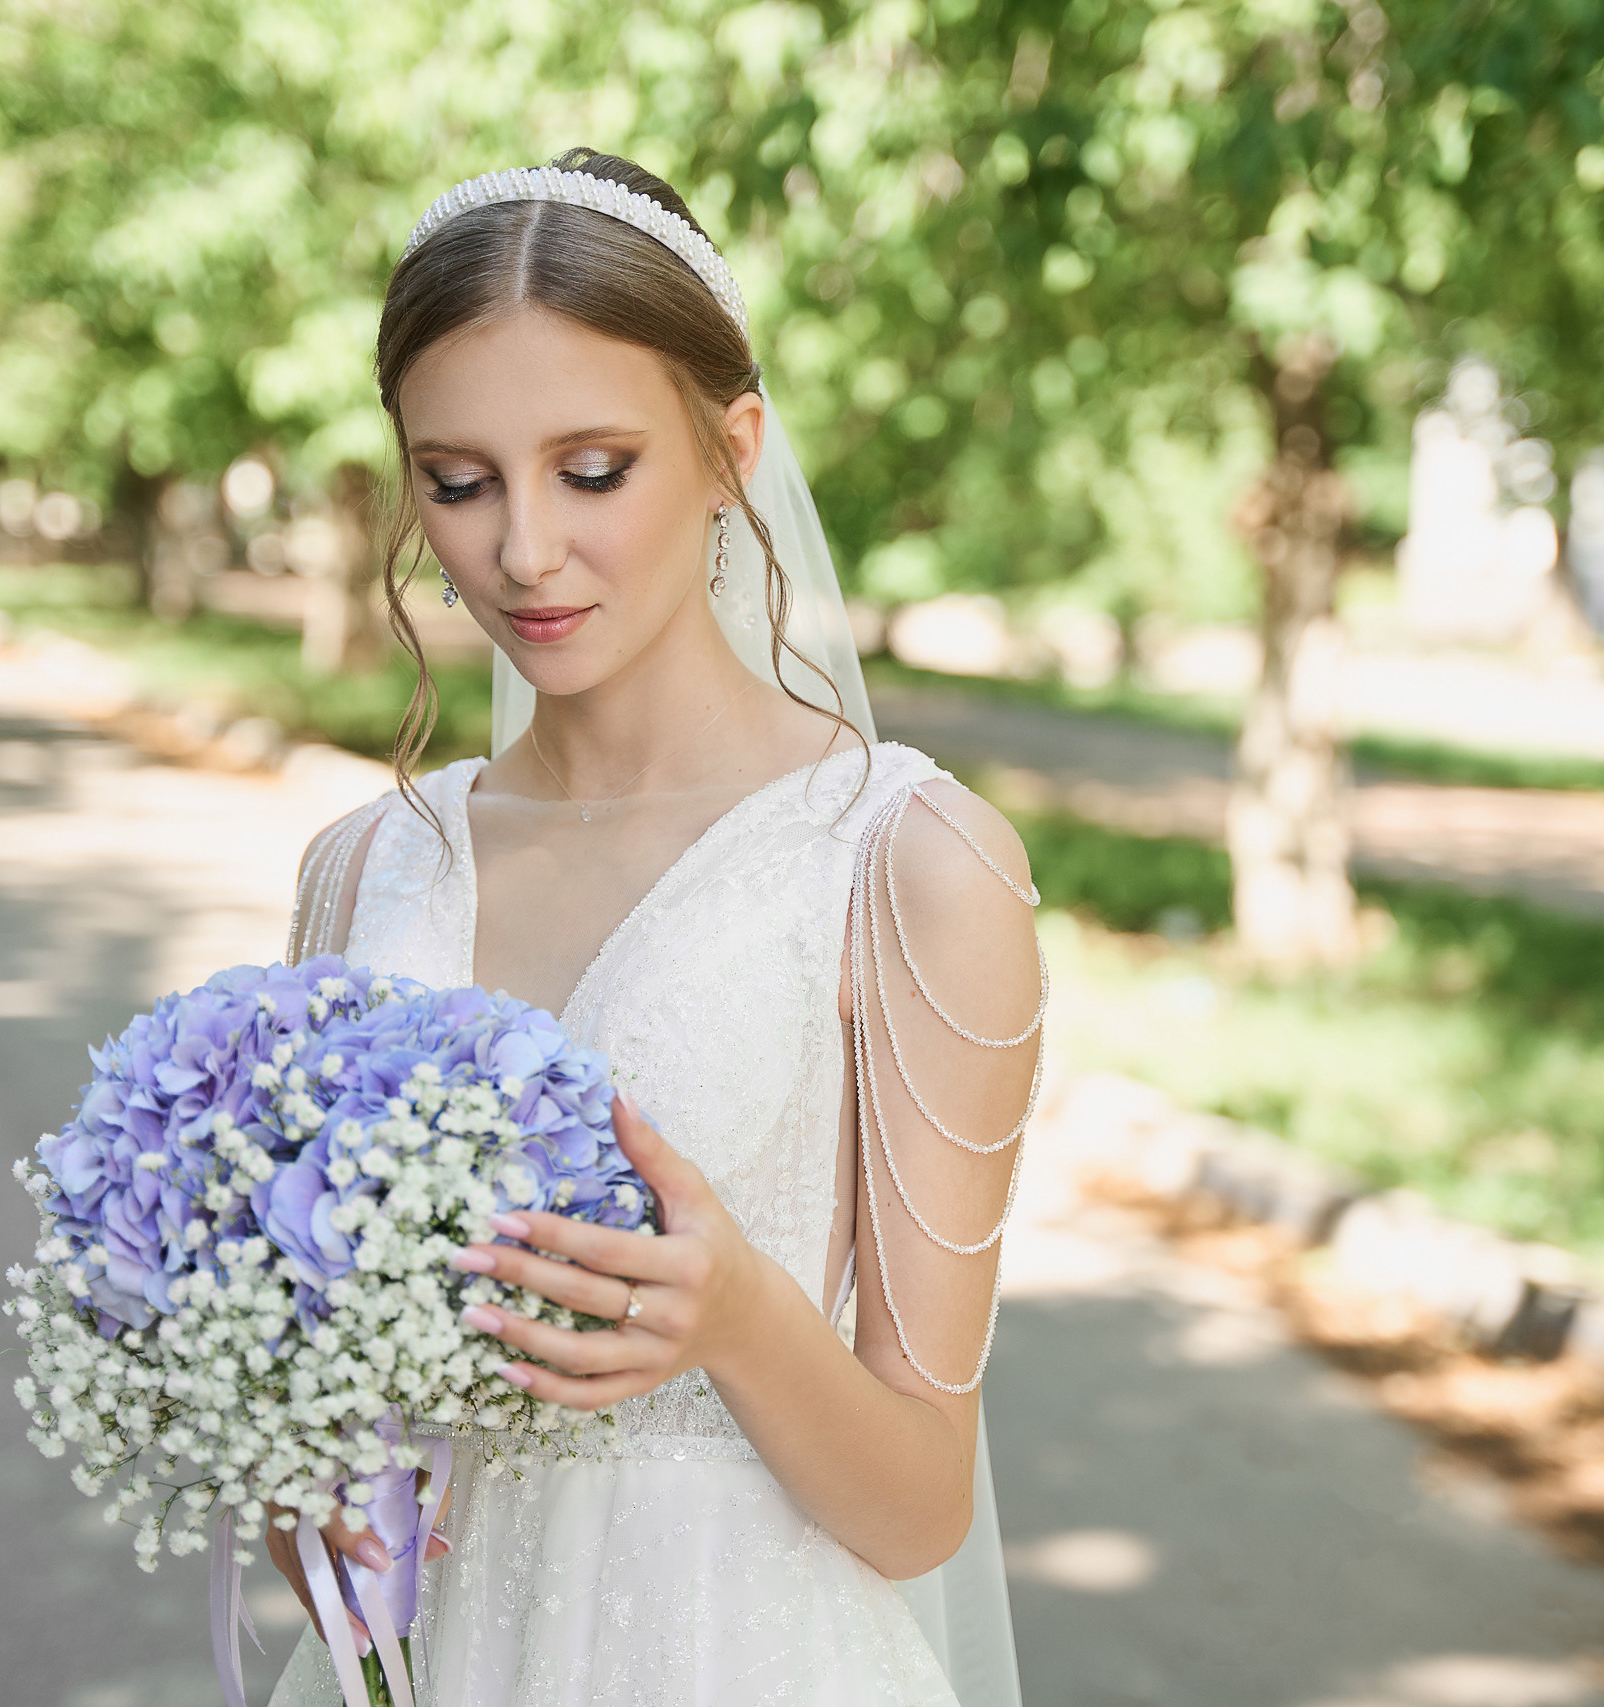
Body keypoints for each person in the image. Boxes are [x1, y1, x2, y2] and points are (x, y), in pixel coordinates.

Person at [263, 148, 1041, 1707]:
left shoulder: (906, 863)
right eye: (459, 480)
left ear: (732, 450)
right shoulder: (362, 874)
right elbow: (325, 1510)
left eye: (594, 469)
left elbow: (918, 1508)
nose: (522, 551)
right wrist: (290, 1456)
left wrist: (739, 1313)